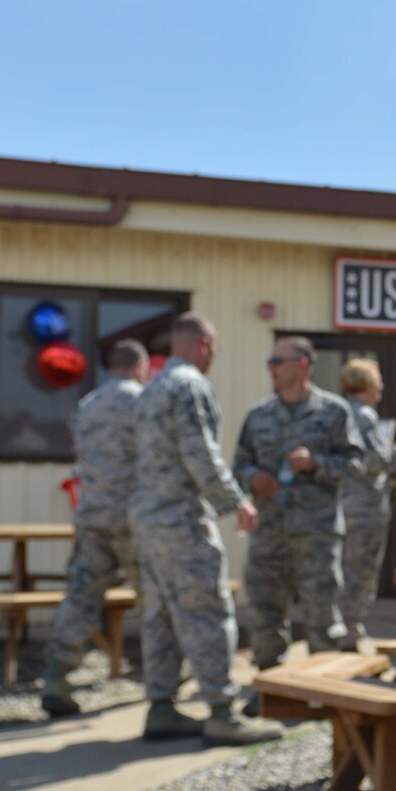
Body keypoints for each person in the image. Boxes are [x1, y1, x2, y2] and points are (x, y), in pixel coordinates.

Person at [128, 312, 279, 745]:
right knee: (207, 610)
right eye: (213, 348)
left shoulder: (151, 387)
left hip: (147, 517)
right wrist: (235, 503)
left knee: (159, 614)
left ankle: (161, 708)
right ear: (204, 344)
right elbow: (201, 453)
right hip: (180, 518)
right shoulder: (190, 384)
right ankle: (220, 712)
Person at [232, 335, 363, 664]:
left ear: (302, 365)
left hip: (316, 533)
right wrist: (252, 478)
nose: (270, 368)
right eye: (270, 362)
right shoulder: (258, 414)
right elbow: (238, 465)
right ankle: (270, 690)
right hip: (269, 532)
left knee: (321, 617)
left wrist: (315, 463)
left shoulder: (333, 412)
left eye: (277, 361)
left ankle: (324, 694)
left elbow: (357, 467)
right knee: (264, 614)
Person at [39, 339, 149, 718]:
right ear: (139, 366)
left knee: (81, 597)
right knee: (153, 597)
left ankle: (57, 676)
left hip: (92, 515)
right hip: (133, 518)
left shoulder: (87, 405)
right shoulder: (144, 402)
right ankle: (161, 676)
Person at [335, 358, 396, 646]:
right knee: (361, 571)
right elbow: (379, 461)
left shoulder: (342, 413)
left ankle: (345, 626)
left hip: (347, 503)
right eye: (377, 380)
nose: (381, 386)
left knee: (347, 568)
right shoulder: (364, 416)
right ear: (365, 384)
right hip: (365, 508)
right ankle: (349, 631)